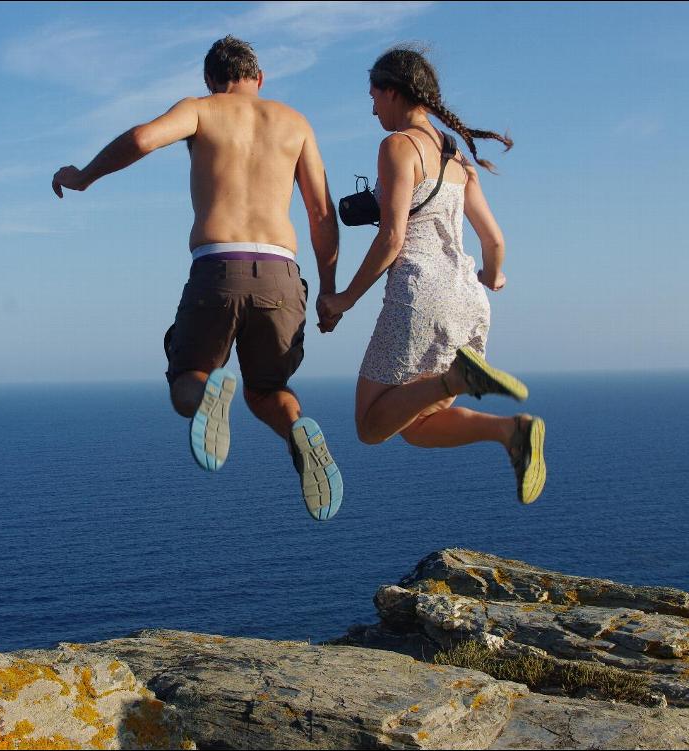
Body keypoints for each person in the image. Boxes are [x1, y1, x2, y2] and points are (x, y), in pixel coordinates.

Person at [52, 36, 344, 520]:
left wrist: (83, 176)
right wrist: (330, 291)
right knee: (268, 390)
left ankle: (206, 391)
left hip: (217, 268)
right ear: (260, 78)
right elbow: (320, 213)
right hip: (281, 273)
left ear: (211, 80)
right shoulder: (295, 123)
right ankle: (297, 429)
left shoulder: (202, 109)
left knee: (187, 382)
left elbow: (143, 139)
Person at [318, 45, 546, 504]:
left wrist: (344, 299)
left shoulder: (398, 146)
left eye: (374, 97)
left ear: (392, 91)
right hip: (467, 300)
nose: (372, 108)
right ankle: (513, 432)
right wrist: (493, 276)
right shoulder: (457, 158)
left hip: (420, 297)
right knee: (415, 427)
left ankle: (459, 379)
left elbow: (392, 239)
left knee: (369, 425)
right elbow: (494, 241)